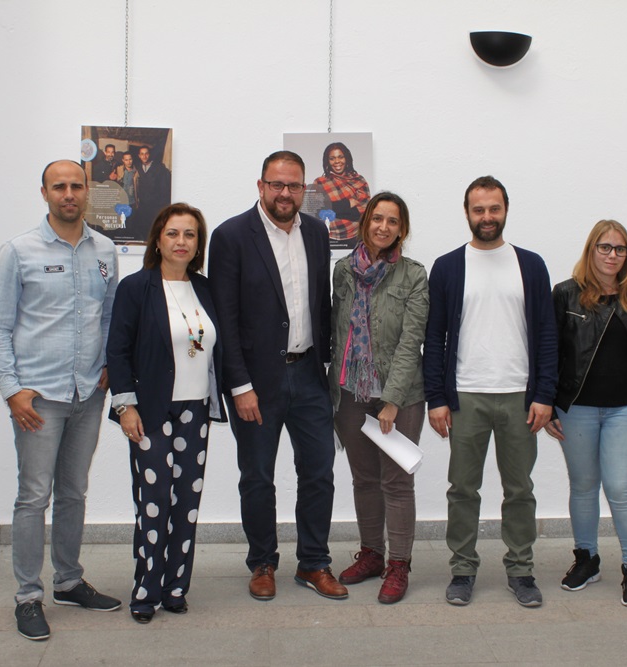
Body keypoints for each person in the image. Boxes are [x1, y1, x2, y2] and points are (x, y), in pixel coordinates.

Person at [0, 160, 121, 641]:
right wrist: (11, 389)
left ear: (88, 192)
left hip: (88, 393)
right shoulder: (18, 251)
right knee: (32, 497)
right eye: (59, 186)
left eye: (76, 186)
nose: (69, 193)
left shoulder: (105, 249)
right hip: (37, 399)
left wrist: (109, 366)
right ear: (43, 192)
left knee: (73, 493)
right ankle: (27, 595)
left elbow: (108, 318)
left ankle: (68, 581)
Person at [209, 150, 347, 602]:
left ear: (304, 189)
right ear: (261, 186)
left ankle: (314, 563)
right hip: (256, 382)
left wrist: (328, 366)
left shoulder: (316, 232)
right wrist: (239, 385)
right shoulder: (231, 236)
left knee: (319, 473)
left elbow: (319, 301)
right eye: (277, 184)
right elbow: (225, 319)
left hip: (308, 375)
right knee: (257, 477)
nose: (285, 193)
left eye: (294, 186)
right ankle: (263, 562)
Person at [424, 175, 558, 608]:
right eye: (478, 209)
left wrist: (545, 394)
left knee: (519, 490)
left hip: (521, 397)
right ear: (467, 213)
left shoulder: (531, 264)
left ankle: (521, 570)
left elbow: (547, 334)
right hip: (465, 397)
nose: (487, 217)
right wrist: (437, 399)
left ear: (505, 210)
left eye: (494, 208)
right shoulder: (448, 266)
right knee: (463, 489)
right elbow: (435, 336)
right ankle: (462, 569)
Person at [106, 203, 225, 624]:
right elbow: (117, 350)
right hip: (151, 412)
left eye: (190, 235)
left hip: (196, 411)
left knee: (186, 503)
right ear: (158, 239)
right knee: (153, 503)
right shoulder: (136, 288)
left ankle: (176, 588)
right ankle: (145, 590)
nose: (181, 241)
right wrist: (125, 406)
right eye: (173, 233)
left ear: (198, 245)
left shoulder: (207, 289)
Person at [544, 220, 627, 607]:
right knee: (584, 485)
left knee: (621, 488)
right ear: (591, 250)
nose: (612, 255)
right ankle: (586, 559)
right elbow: (549, 352)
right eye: (604, 247)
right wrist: (548, 401)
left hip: (626, 409)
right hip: (578, 409)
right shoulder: (566, 295)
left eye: (620, 249)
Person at [330, 192, 429, 604]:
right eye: (377, 219)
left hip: (399, 395)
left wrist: (391, 398)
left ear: (401, 229)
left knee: (396, 480)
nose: (383, 227)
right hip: (350, 393)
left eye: (392, 221)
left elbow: (412, 341)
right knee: (364, 479)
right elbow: (336, 331)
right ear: (365, 222)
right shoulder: (343, 271)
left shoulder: (413, 275)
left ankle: (399, 565)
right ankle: (371, 554)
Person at [313, 141, 370, 241]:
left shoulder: (359, 181)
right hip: (329, 238)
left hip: (357, 237)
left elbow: (362, 213)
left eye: (340, 157)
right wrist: (347, 203)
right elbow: (317, 211)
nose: (337, 161)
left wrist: (332, 208)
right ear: (327, 161)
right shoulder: (320, 183)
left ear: (346, 158)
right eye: (332, 158)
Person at [134, 145, 172, 242]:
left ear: (149, 154)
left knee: (154, 227)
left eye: (146, 153)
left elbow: (164, 187)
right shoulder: (137, 167)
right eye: (142, 154)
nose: (144, 156)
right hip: (143, 204)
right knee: (143, 227)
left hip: (155, 204)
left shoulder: (159, 168)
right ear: (139, 155)